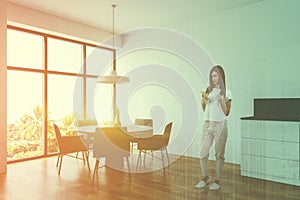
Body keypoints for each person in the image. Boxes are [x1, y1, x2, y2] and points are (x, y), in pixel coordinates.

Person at [195, 65, 232, 190]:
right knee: (202, 152)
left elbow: (227, 112)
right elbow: (205, 108)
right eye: (212, 76)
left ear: (221, 76)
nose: (214, 78)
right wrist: (203, 100)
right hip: (208, 123)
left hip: (221, 124)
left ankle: (217, 180)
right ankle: (205, 178)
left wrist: (221, 100)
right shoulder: (208, 90)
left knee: (219, 154)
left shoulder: (227, 92)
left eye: (216, 75)